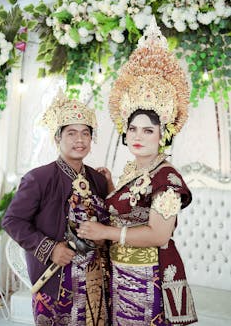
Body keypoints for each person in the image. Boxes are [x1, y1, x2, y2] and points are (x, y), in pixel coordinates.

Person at [77, 17, 198, 325]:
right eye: (132, 129)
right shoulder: (134, 168)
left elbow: (159, 234)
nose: (137, 137)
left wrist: (105, 232)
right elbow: (132, 209)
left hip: (147, 276)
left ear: (163, 134)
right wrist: (109, 184)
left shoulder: (168, 180)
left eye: (148, 131)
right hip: (120, 271)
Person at [2, 93, 113, 326]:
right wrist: (50, 249)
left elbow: (110, 224)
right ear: (57, 138)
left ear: (92, 140)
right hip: (54, 277)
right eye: (71, 133)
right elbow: (12, 221)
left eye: (85, 133)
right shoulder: (39, 178)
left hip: (94, 280)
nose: (79, 140)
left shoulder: (98, 180)